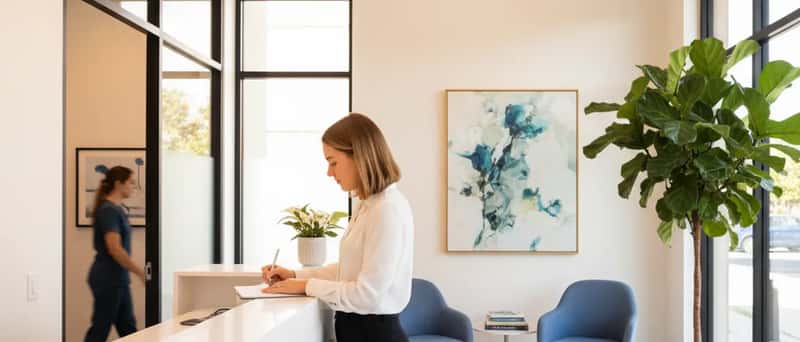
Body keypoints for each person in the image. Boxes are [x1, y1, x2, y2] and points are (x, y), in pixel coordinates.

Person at [262, 113, 414, 342]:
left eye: (333, 162)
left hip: (374, 335)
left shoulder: (386, 210)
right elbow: (348, 270)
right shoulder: (368, 205)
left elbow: (367, 295)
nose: (329, 172)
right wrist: (294, 275)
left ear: (360, 157)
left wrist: (305, 285)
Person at [84, 166, 145, 342]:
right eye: (131, 182)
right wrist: (139, 271)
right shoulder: (108, 211)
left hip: (118, 278)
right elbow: (115, 249)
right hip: (108, 279)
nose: (134, 186)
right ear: (119, 184)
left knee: (129, 329)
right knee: (100, 329)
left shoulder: (116, 209)